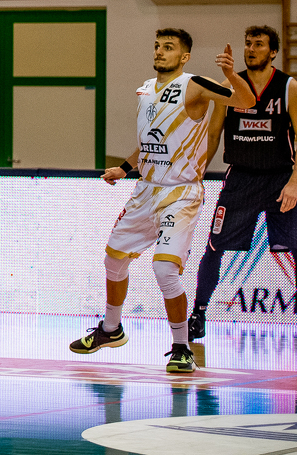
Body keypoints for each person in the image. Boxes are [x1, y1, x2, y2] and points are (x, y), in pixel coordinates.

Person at [69, 28, 255, 373]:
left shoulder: (195, 84)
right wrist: (125, 168)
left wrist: (231, 74)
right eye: (157, 46)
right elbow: (149, 141)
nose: (159, 51)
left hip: (181, 193)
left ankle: (182, 347)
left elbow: (246, 101)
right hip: (146, 190)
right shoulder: (145, 89)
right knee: (113, 260)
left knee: (165, 269)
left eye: (168, 47)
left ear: (184, 56)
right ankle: (111, 329)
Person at [189, 25, 297, 341]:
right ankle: (199, 313)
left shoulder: (289, 87)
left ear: (273, 51)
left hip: (280, 178)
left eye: (259, 44)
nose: (251, 49)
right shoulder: (228, 87)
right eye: (248, 43)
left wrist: (294, 182)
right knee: (214, 247)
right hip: (241, 179)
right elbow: (212, 135)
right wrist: (196, 176)